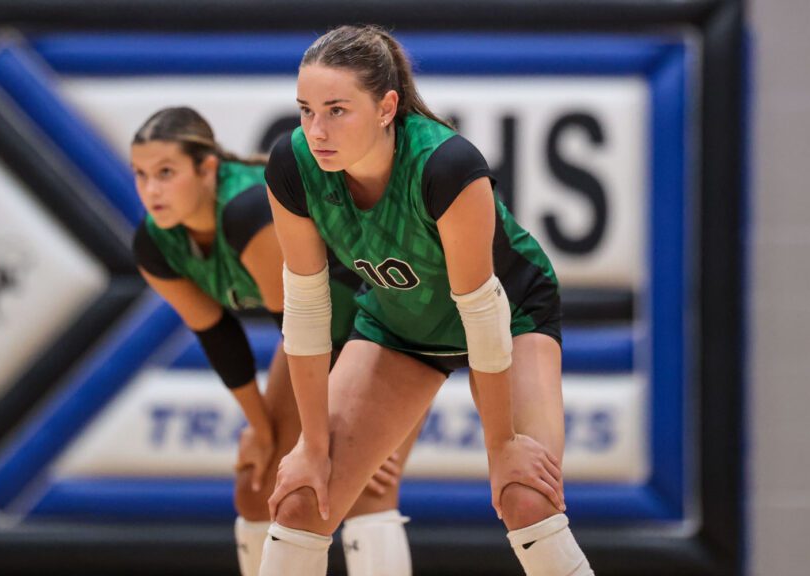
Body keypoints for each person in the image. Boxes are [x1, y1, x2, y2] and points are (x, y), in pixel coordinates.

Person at [261, 24, 594, 576]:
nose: (317, 130)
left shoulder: (447, 166)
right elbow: (307, 310)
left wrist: (501, 446)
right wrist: (311, 446)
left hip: (510, 317)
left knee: (524, 496)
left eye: (337, 110)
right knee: (302, 500)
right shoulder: (293, 166)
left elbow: (482, 313)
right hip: (401, 324)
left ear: (386, 107)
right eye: (306, 111)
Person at [129, 106, 420, 576]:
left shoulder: (248, 212)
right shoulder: (154, 244)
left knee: (367, 488)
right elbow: (219, 335)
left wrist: (339, 433)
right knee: (259, 485)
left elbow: (308, 329)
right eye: (141, 175)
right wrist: (261, 432)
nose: (151, 190)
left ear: (207, 169)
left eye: (166, 173)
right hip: (317, 334)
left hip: (391, 317)